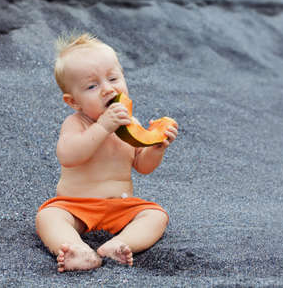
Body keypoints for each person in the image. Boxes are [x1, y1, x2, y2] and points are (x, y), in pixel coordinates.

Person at [35, 33, 178, 272]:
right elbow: (69, 156)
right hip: (75, 206)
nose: (107, 89)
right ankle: (75, 248)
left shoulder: (130, 123)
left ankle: (120, 243)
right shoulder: (76, 123)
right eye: (92, 86)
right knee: (48, 216)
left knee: (156, 215)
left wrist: (156, 147)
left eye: (113, 78)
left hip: (120, 207)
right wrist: (103, 127)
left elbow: (143, 166)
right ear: (74, 102)